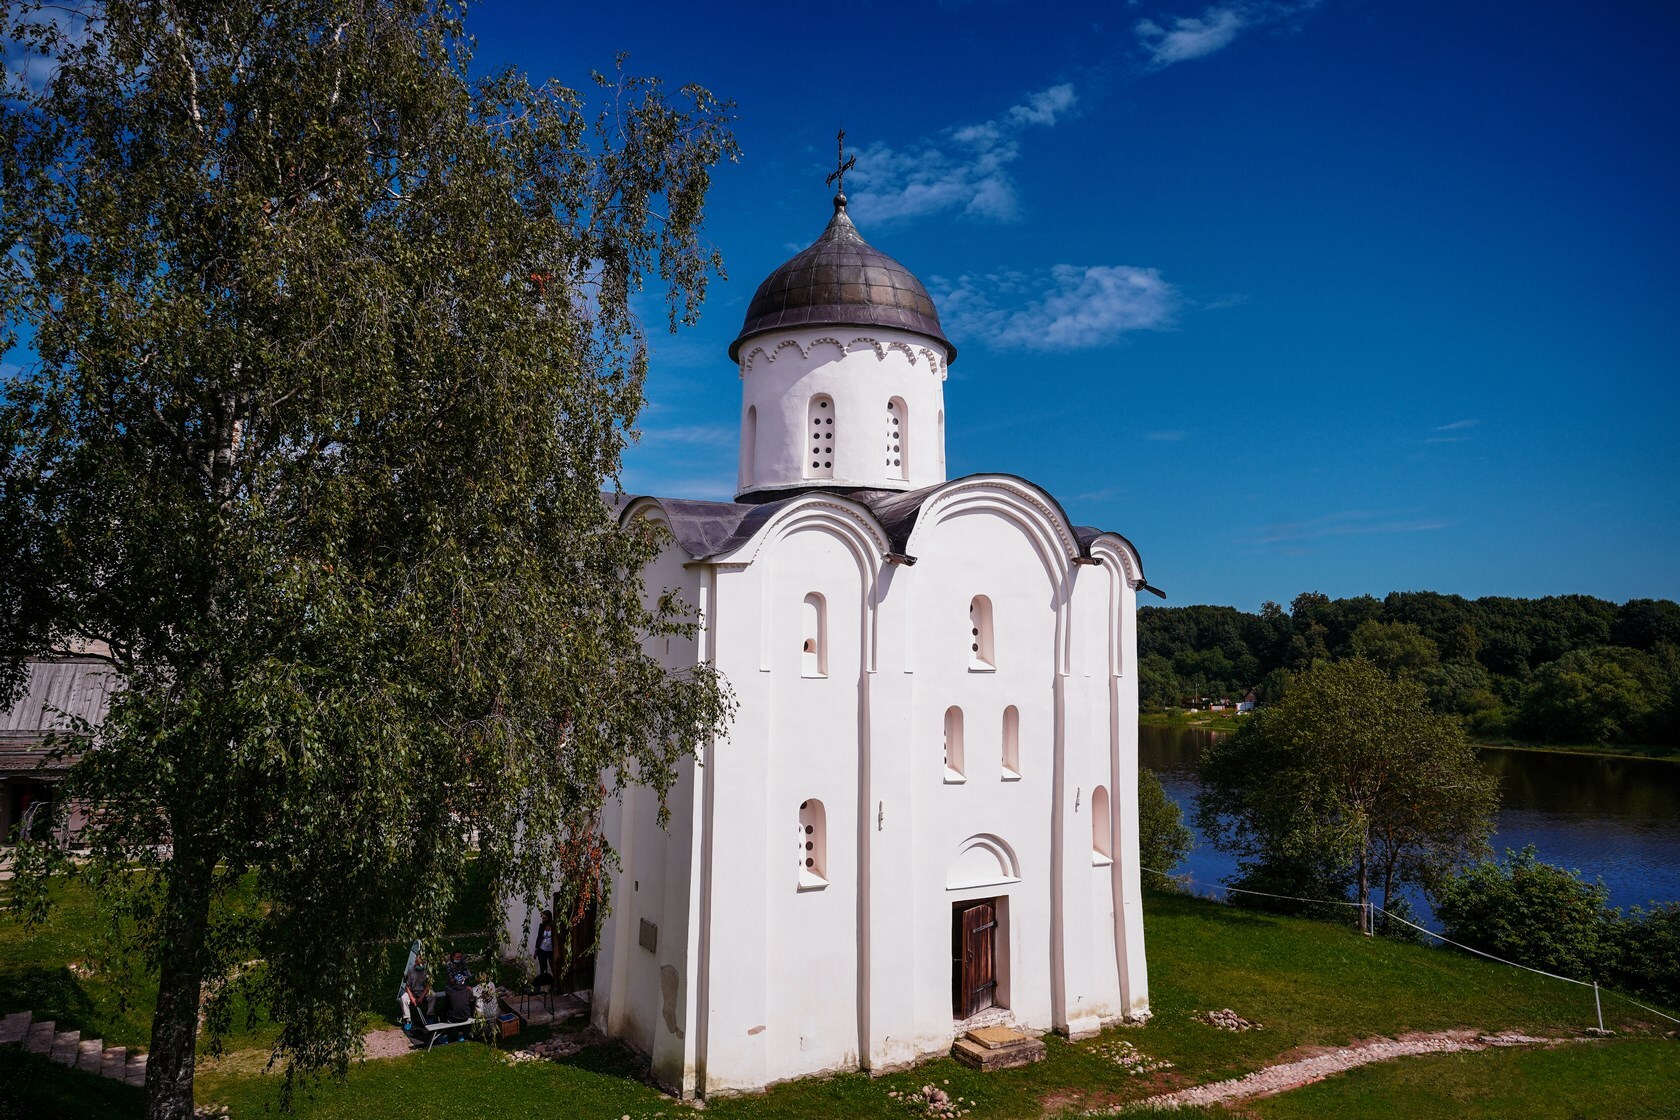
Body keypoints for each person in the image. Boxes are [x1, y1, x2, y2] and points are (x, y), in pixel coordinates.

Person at [404, 951, 435, 1022]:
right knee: (403, 998)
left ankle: (430, 1015)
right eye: (417, 962)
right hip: (413, 991)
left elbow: (428, 985)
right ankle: (407, 1019)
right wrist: (412, 998)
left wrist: (421, 997)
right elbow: (407, 986)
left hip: (423, 991)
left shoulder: (427, 970)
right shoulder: (411, 970)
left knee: (433, 995)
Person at [533, 910, 555, 989]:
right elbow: (539, 938)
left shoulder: (553, 926)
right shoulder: (541, 926)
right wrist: (536, 951)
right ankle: (543, 987)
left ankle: (553, 986)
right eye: (542, 918)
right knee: (543, 969)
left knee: (553, 968)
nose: (543, 919)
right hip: (542, 950)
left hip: (551, 951)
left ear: (549, 918)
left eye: (544, 918)